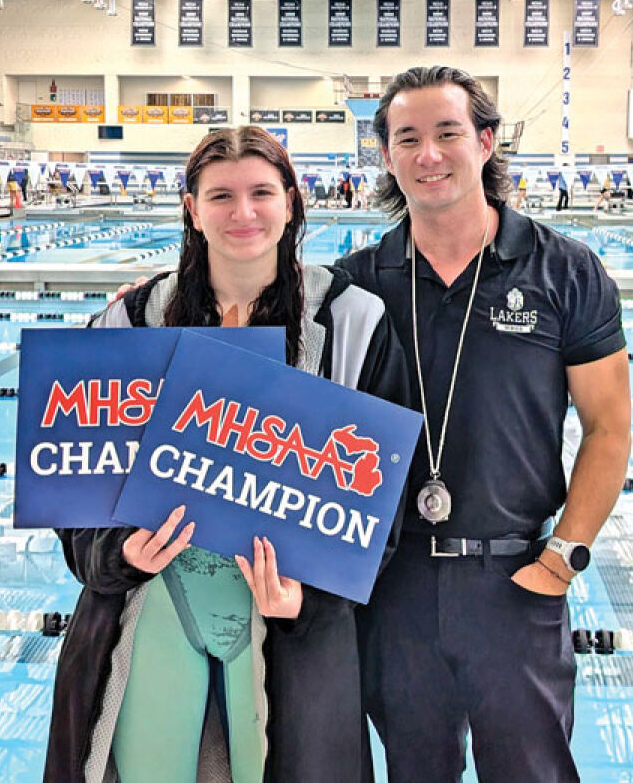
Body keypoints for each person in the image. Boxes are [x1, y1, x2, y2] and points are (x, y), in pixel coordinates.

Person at [44, 125, 409, 783]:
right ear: (191, 207)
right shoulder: (134, 318)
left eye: (261, 192)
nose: (243, 213)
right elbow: (75, 490)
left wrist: (308, 600)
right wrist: (116, 553)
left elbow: (384, 503)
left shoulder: (355, 321)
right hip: (150, 605)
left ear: (291, 201)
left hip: (286, 624)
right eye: (221, 196)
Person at [336, 66, 631, 783]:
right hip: (395, 588)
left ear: (486, 141)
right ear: (386, 154)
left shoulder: (565, 271)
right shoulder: (357, 281)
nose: (428, 154)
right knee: (414, 769)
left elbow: (609, 427)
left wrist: (562, 558)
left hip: (515, 577)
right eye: (407, 138)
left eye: (447, 133)